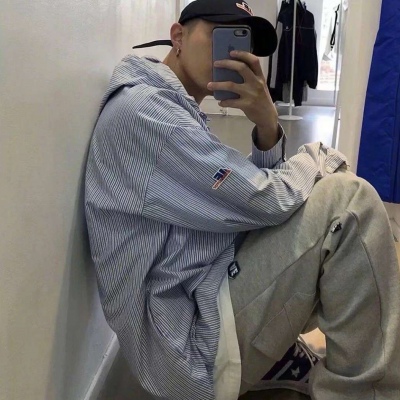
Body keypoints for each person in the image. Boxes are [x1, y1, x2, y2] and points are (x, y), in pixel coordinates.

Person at [84, 0, 400, 399]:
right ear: (178, 36)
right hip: (190, 349)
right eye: (221, 36)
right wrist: (319, 155)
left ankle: (299, 362)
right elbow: (265, 200)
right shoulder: (147, 114)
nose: (233, 54)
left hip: (198, 299)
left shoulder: (166, 105)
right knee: (349, 202)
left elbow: (245, 204)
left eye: (241, 42)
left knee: (327, 205)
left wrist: (267, 125)